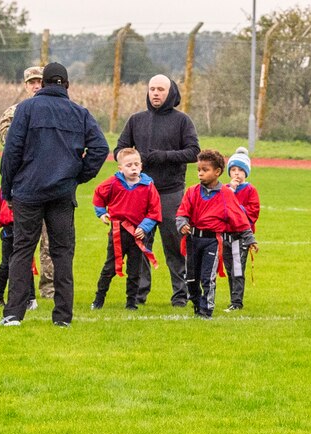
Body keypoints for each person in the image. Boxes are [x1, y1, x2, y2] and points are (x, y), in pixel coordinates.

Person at [0, 62, 110, 328]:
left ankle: (13, 313)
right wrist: (77, 176)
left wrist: (8, 188)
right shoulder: (79, 113)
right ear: (67, 84)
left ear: (44, 84)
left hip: (27, 190)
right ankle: (62, 317)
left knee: (22, 251)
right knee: (62, 253)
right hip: (61, 192)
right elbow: (100, 148)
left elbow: (11, 152)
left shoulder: (26, 109)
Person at [117, 75, 201, 307]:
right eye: (152, 89)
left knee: (175, 244)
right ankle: (138, 295)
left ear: (170, 93)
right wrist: (132, 162)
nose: (155, 93)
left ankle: (181, 295)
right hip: (140, 194)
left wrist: (163, 156)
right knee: (141, 244)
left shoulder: (182, 121)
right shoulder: (136, 120)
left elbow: (194, 151)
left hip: (170, 193)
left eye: (161, 89)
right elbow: (120, 149)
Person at [0, 67, 56, 304]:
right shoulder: (15, 111)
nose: (36, 86)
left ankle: (50, 289)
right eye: (32, 82)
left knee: (51, 241)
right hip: (25, 186)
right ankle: (22, 291)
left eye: (40, 81)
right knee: (22, 241)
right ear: (25, 85)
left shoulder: (57, 110)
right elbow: (6, 137)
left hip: (51, 183)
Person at [174, 151, 253, 318]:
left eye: (205, 169)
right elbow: (182, 212)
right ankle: (196, 304)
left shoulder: (226, 194)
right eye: (199, 170)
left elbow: (238, 217)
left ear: (217, 172)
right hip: (193, 240)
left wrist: (249, 238)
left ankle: (206, 310)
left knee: (208, 278)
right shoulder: (192, 191)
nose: (200, 173)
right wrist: (182, 224)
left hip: (212, 241)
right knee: (191, 278)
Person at [92, 147, 163, 310]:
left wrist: (145, 227)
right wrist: (102, 213)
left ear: (141, 166)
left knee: (135, 270)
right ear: (120, 168)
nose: (133, 168)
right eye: (129, 165)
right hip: (118, 232)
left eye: (136, 164)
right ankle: (98, 299)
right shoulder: (113, 183)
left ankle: (131, 302)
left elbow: (155, 210)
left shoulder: (148, 186)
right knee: (110, 267)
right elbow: (98, 195)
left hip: (137, 234)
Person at [224, 148, 262, 310]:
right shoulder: (225, 189)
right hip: (225, 235)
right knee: (229, 268)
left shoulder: (250, 190)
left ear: (246, 172)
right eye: (233, 170)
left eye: (240, 170)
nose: (237, 174)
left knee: (238, 269)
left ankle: (237, 302)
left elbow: (252, 212)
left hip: (241, 236)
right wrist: (230, 192)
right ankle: (234, 298)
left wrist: (236, 208)